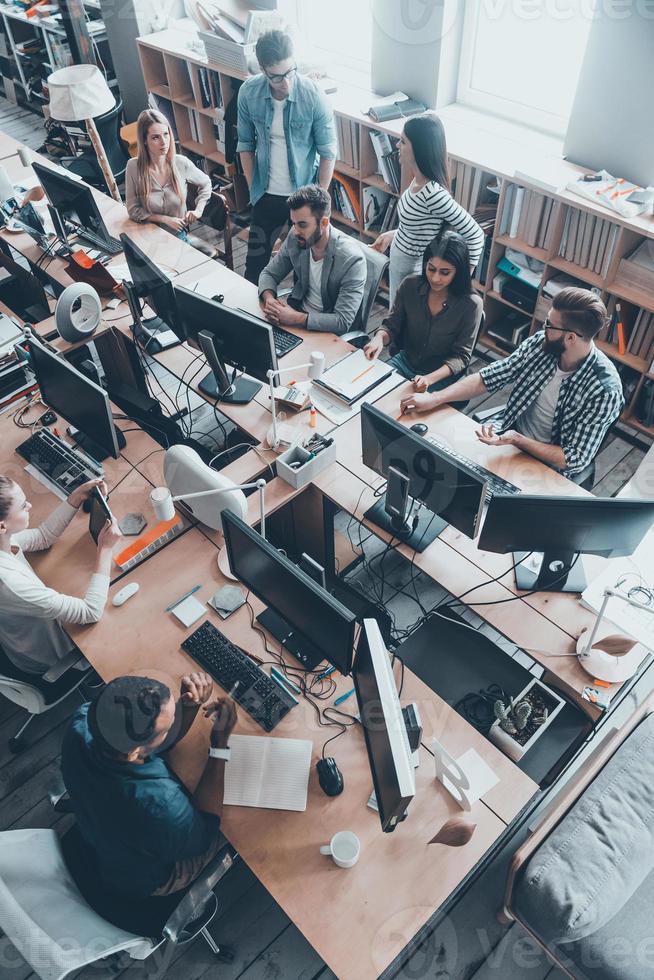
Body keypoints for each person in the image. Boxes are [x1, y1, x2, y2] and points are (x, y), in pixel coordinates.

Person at [399, 288, 624, 481]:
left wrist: (518, 440)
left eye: (549, 324)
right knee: (442, 467)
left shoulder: (605, 390)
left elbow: (574, 459)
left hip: (548, 467)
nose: (543, 328)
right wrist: (434, 398)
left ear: (571, 338)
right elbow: (491, 376)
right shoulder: (541, 344)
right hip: (505, 436)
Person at [61, 673, 237, 901]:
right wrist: (220, 744)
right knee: (236, 828)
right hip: (145, 878)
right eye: (167, 726)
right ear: (133, 752)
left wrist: (188, 704)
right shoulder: (161, 804)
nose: (174, 720)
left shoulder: (82, 720)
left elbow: (151, 740)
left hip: (100, 824)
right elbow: (205, 834)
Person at [237, 29, 337, 285]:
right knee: (254, 268)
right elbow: (245, 144)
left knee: (306, 272)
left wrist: (318, 203)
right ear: (262, 69)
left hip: (303, 196)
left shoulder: (314, 97)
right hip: (266, 194)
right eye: (277, 76)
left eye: (290, 71)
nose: (286, 83)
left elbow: (328, 153)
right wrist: (253, 190)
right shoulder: (249, 93)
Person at [0, 476, 121, 674]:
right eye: (23, 506)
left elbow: (42, 537)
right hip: (54, 655)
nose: (29, 505)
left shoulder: (4, 540)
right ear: (2, 526)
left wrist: (76, 498)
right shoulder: (9, 584)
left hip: (31, 631)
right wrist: (105, 549)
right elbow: (90, 612)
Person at [370, 113, 484, 304]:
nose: (397, 146)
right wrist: (392, 235)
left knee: (402, 323)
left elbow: (475, 234)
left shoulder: (433, 193)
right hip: (399, 265)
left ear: (419, 149)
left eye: (403, 142)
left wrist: (463, 277)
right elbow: (419, 226)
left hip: (411, 272)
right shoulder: (417, 180)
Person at [364, 230, 482, 391]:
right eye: (431, 269)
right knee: (370, 393)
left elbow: (461, 357)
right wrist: (378, 339)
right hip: (405, 362)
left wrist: (428, 379)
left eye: (445, 273)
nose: (435, 278)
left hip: (442, 378)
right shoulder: (410, 285)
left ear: (459, 272)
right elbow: (391, 325)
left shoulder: (471, 304)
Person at [258, 184, 366, 334]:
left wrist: (296, 318)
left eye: (302, 225)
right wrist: (270, 300)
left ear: (324, 222)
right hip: (296, 316)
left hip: (329, 332)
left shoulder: (352, 260)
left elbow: (342, 321)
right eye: (293, 223)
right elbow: (269, 273)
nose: (295, 231)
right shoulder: (296, 237)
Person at [125, 109, 215, 256]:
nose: (163, 142)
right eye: (155, 137)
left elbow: (206, 183)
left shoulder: (181, 163)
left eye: (166, 134)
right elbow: (133, 209)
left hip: (177, 237)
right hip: (147, 236)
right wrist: (164, 219)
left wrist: (198, 210)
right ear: (145, 141)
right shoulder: (133, 167)